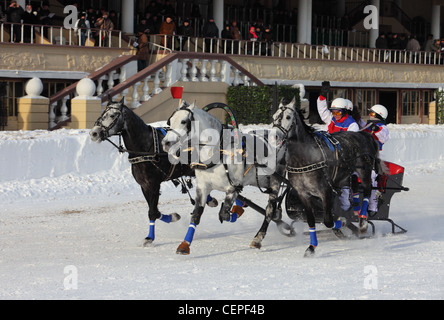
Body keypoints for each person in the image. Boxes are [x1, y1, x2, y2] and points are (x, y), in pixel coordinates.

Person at [358, 104, 390, 215]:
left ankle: (372, 207)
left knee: (371, 178)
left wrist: (376, 129)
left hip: (374, 158)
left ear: (379, 116)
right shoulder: (368, 125)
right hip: (361, 156)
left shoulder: (383, 127)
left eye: (372, 114)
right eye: (370, 113)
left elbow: (384, 137)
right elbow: (360, 125)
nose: (369, 115)